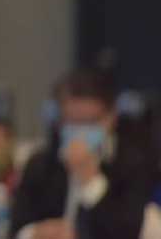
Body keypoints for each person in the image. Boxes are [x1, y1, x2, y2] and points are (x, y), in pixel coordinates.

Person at [11, 68, 159, 239]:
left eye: (90, 122)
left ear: (111, 117)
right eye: (72, 121)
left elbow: (129, 231)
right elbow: (16, 228)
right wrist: (35, 233)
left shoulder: (134, 164)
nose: (80, 132)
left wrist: (91, 181)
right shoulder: (40, 164)